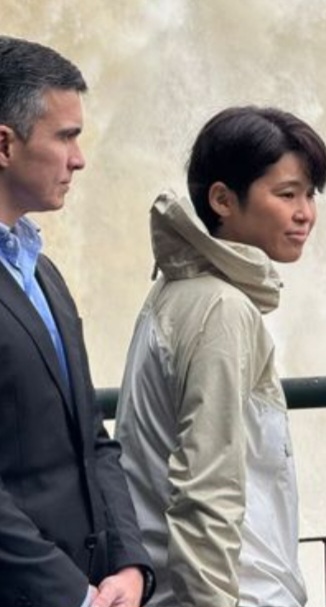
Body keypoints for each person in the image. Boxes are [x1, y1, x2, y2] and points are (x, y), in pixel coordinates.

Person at [113, 106, 326, 607]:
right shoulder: (222, 310)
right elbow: (205, 490)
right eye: (286, 194)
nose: (305, 213)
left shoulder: (177, 289)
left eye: (309, 194)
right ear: (222, 200)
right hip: (237, 594)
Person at [0, 36, 154, 607]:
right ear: (4, 144)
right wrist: (73, 595)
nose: (79, 158)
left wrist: (131, 564)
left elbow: (94, 439)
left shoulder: (44, 275)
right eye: (66, 136)